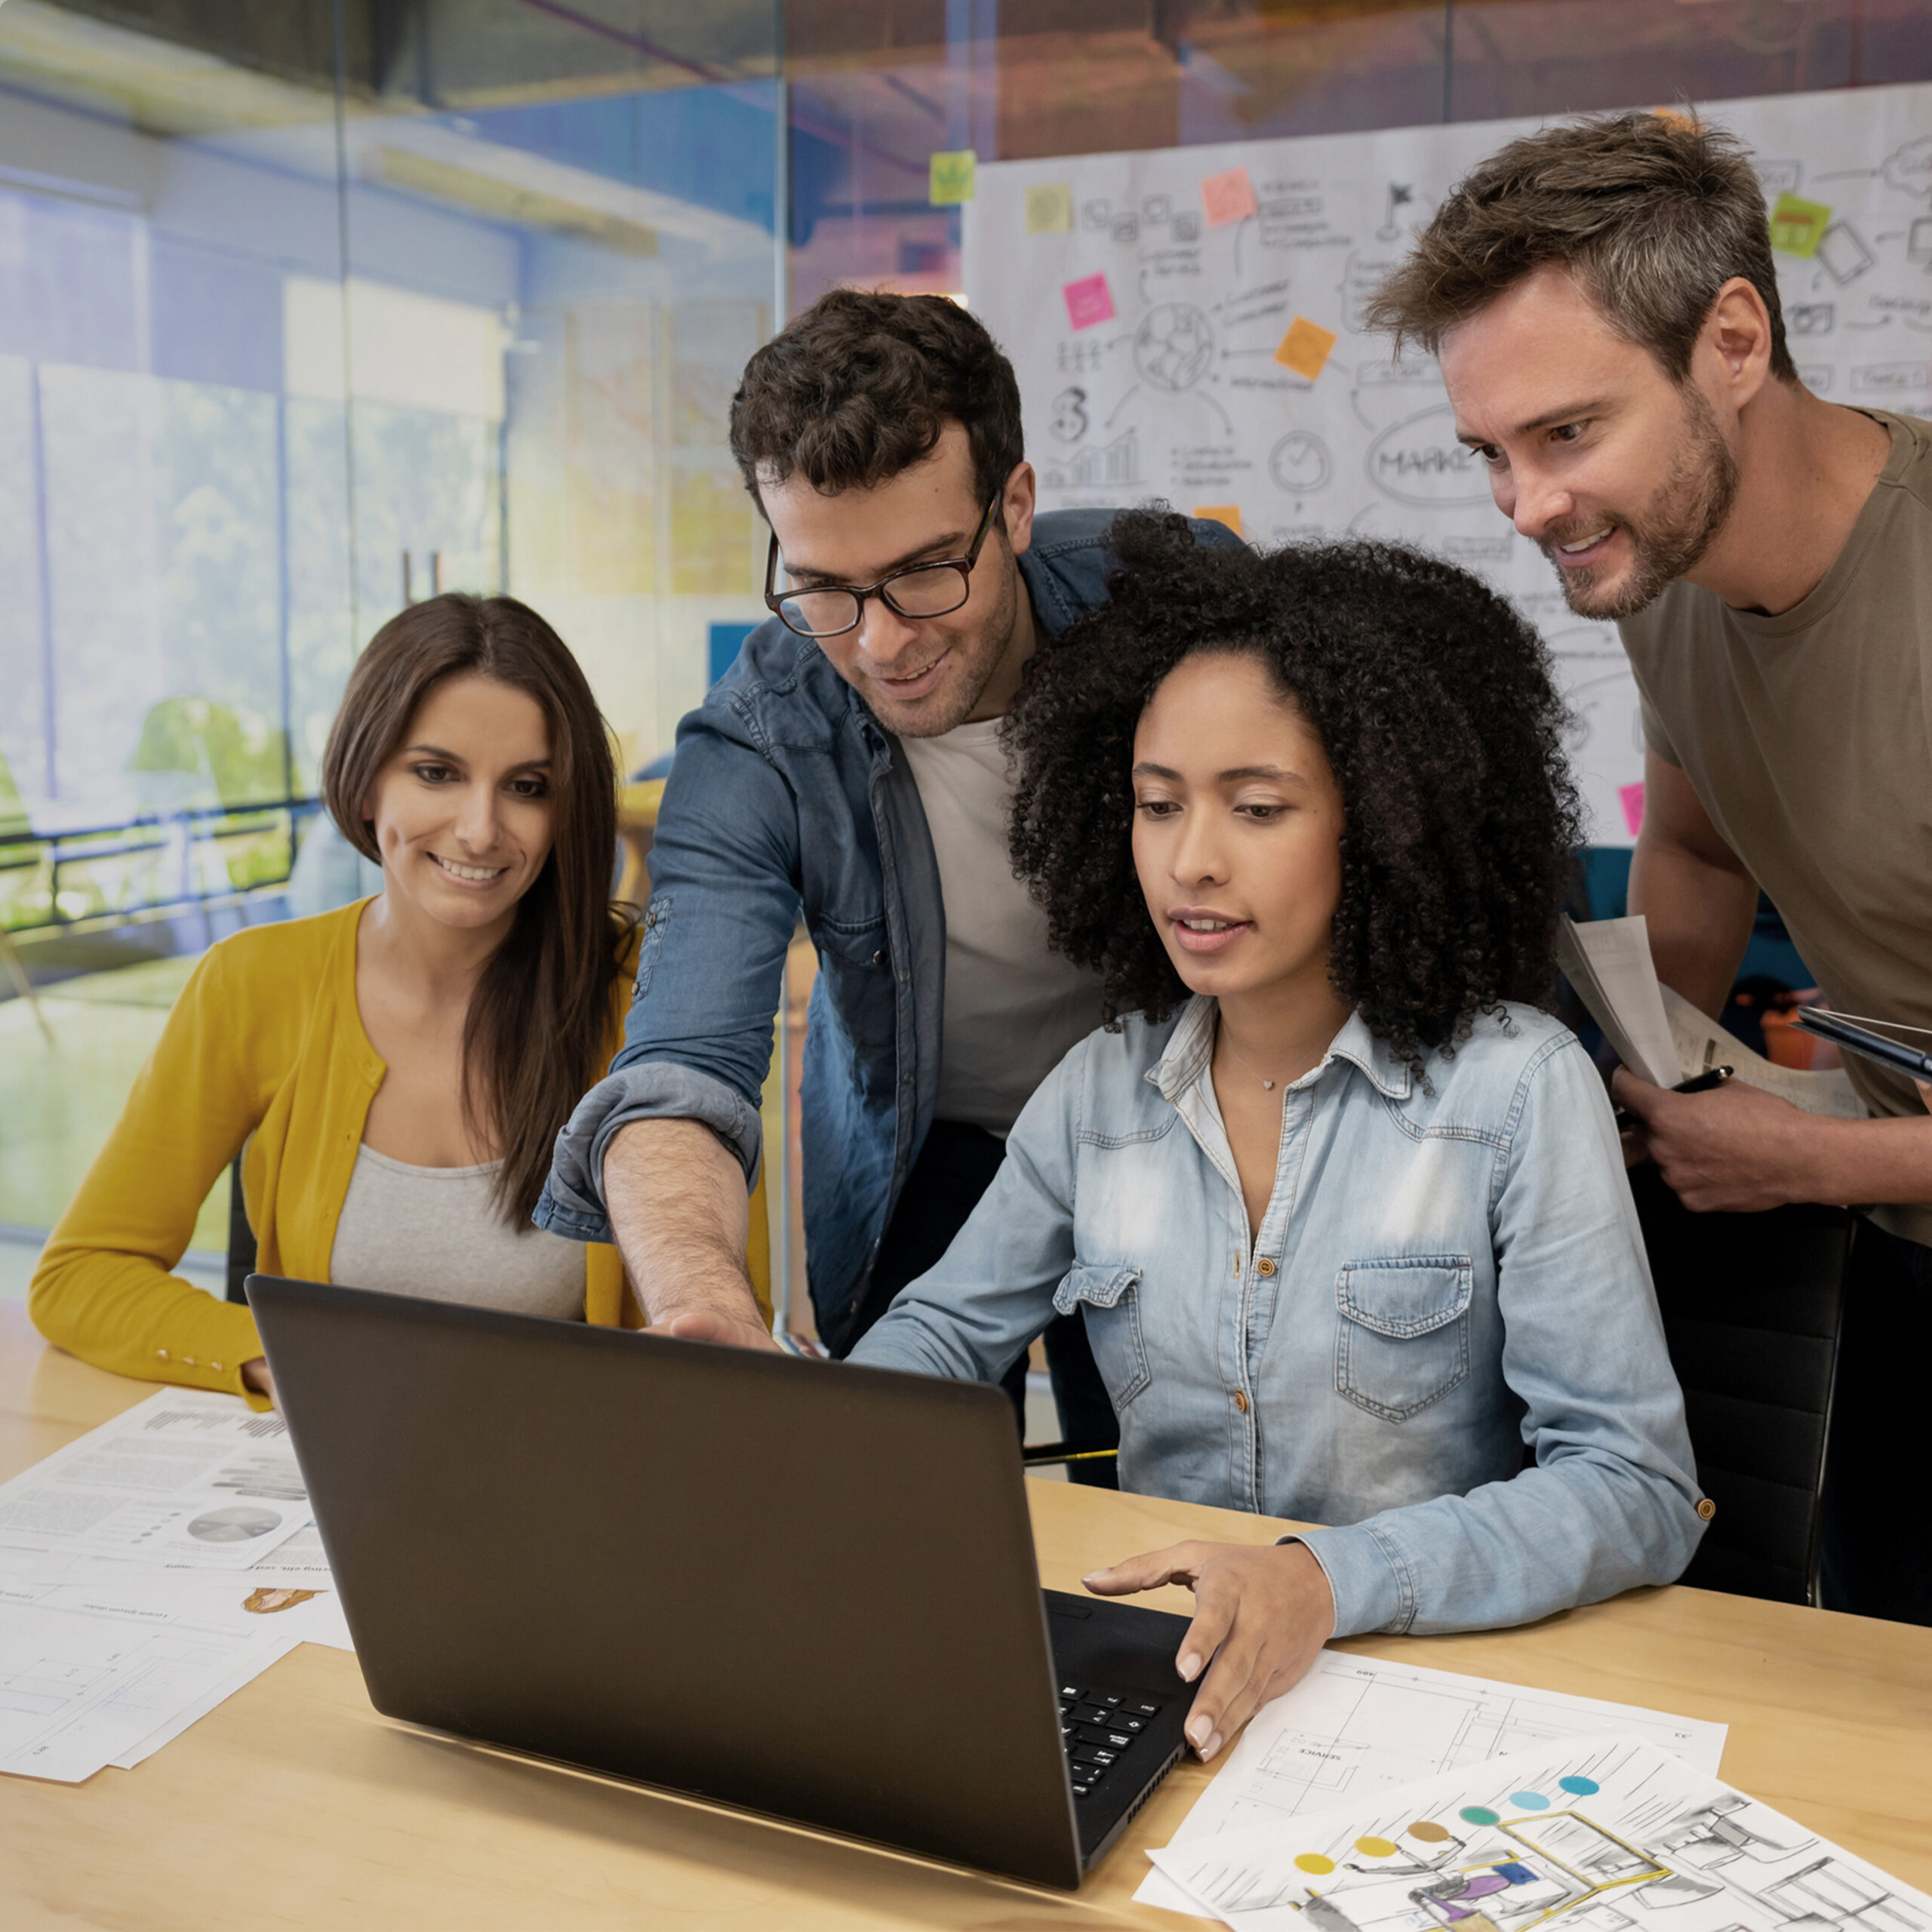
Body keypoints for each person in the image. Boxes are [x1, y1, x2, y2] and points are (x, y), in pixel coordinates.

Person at [851, 517, 1707, 1760]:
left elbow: (1636, 1491)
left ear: (1381, 822)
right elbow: (942, 1331)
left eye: (1257, 808)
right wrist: (820, 1452)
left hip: (1428, 1702)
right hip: (1173, 1692)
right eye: (1156, 806)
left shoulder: (1518, 1088)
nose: (1190, 862)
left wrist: (1323, 1578)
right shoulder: (1099, 1093)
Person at [1366, 111, 1932, 1626]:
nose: (1525, 505)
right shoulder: (1662, 579)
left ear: (1731, 339)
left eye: (1566, 432)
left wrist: (1803, 1157)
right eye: (1490, 450)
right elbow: (1690, 843)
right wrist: (1641, 1073)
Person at [534, 289, 1240, 1472]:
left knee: (1168, 1483)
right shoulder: (760, 733)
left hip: (1182, 1126)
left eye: (922, 574)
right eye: (822, 586)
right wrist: (706, 1305)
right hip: (929, 1149)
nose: (879, 643)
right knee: (904, 1489)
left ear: (1013, 507)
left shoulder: (1174, 600)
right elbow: (678, 1070)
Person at [30, 594, 768, 1404]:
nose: (481, 829)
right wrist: (274, 1361)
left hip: (569, 1484)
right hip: (335, 1481)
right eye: (436, 773)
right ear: (366, 777)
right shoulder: (251, 983)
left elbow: (730, 1328)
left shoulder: (656, 997)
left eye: (525, 785)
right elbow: (80, 1273)